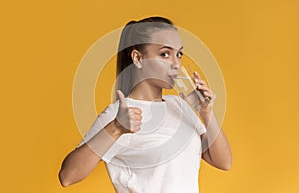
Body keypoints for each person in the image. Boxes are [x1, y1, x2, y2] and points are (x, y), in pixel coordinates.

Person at [58, 16, 232, 192]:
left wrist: (207, 113)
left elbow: (223, 161)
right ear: (138, 58)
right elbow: (67, 176)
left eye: (178, 54)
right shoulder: (119, 114)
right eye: (165, 54)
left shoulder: (178, 106)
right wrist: (116, 128)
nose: (176, 64)